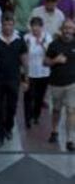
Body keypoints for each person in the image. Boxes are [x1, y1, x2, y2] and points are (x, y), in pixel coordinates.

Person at [0, 14, 28, 148]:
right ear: (1, 25)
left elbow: (24, 60)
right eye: (5, 24)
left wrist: (26, 79)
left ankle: (8, 128)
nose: (8, 27)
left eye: (10, 24)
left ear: (14, 24)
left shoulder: (19, 39)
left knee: (11, 107)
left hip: (14, 79)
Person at [45, 20, 75, 151]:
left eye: (70, 28)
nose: (68, 30)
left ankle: (70, 139)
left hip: (72, 84)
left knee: (71, 111)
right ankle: (54, 131)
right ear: (61, 29)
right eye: (66, 28)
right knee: (56, 110)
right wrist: (55, 60)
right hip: (56, 83)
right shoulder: (54, 44)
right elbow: (45, 62)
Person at [23, 17, 51, 129]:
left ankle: (36, 115)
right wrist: (28, 47)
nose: (35, 29)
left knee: (39, 97)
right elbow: (24, 54)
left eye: (37, 27)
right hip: (29, 72)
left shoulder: (47, 37)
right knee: (28, 96)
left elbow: (50, 53)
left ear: (41, 27)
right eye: (33, 27)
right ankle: (27, 118)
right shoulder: (26, 38)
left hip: (43, 72)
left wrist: (42, 44)